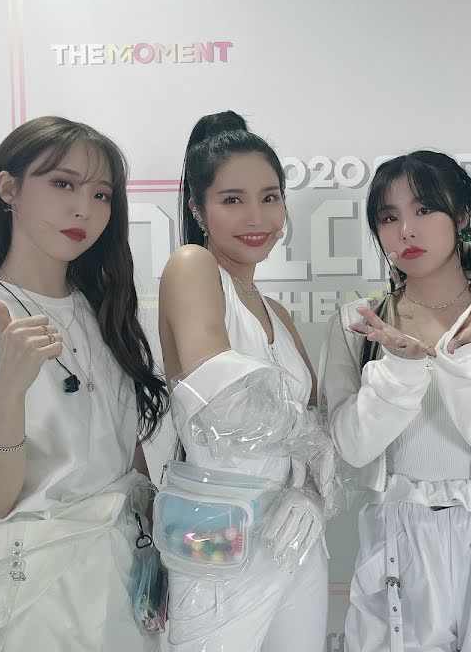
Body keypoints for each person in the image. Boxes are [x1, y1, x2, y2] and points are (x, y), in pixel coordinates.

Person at [0, 116, 170, 651]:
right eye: (63, 184)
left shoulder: (103, 312)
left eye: (101, 194)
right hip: (22, 598)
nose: (84, 209)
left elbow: (127, 460)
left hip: (117, 586)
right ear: (8, 189)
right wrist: (9, 389)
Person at [322, 151, 471, 652]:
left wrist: (465, 363)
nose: (406, 231)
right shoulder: (360, 324)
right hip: (398, 539)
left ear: (462, 215)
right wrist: (401, 370)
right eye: (388, 217)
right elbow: (352, 446)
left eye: (424, 210)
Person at [156, 112, 334, 651]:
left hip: (293, 535)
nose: (256, 217)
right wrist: (307, 439)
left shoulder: (277, 311)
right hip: (214, 536)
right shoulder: (192, 266)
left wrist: (310, 494)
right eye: (232, 199)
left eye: (270, 197)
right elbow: (226, 404)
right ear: (198, 208)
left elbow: (321, 428)